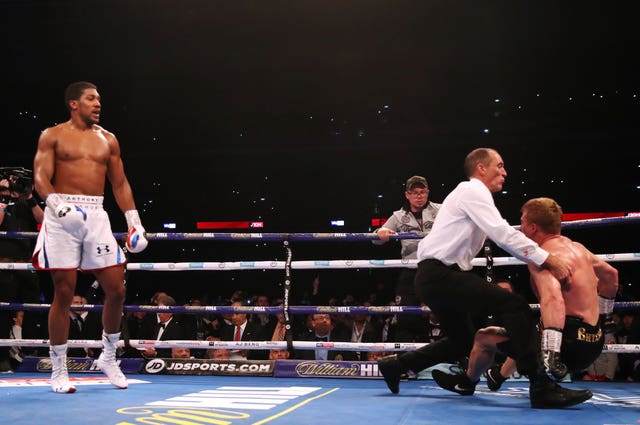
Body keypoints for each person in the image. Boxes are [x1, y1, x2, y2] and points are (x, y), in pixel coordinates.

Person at [378, 148, 591, 409]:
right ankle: (541, 385)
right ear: (481, 168)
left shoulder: (472, 196)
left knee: (463, 340)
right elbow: (502, 232)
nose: (504, 171)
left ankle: (396, 365)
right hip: (440, 274)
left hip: (435, 276)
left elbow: (493, 230)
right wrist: (546, 259)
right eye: (499, 166)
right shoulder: (473, 191)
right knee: (513, 305)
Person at [31, 81, 149, 393]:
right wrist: (57, 205)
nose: (98, 103)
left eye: (99, 99)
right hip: (62, 213)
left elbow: (120, 183)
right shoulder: (52, 135)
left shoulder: (108, 139)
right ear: (74, 103)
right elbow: (40, 176)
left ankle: (108, 357)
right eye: (91, 98)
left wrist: (134, 221)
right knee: (64, 291)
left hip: (96, 214)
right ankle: (59, 369)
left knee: (117, 289)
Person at [437, 197, 619, 396]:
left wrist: (551, 353)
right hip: (595, 341)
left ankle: (466, 383)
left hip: (569, 346)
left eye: (522, 221)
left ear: (533, 228)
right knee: (526, 331)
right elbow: (611, 275)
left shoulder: (542, 257)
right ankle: (498, 376)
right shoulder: (578, 249)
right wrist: (604, 317)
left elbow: (553, 300)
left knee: (483, 337)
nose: (519, 226)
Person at [373, 175, 441, 342]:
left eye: (422, 192)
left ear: (428, 193)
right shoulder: (398, 216)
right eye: (415, 192)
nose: (419, 196)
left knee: (440, 313)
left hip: (435, 269)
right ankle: (404, 361)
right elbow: (375, 240)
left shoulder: (441, 210)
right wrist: (380, 232)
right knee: (405, 317)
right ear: (407, 195)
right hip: (410, 271)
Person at [0, 175, 45, 372]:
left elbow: (44, 220)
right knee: (4, 311)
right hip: (4, 264)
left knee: (34, 306)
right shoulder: (2, 202)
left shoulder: (26, 203)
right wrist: (2, 197)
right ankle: (2, 356)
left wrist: (29, 196)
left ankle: (29, 350)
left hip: (26, 264)